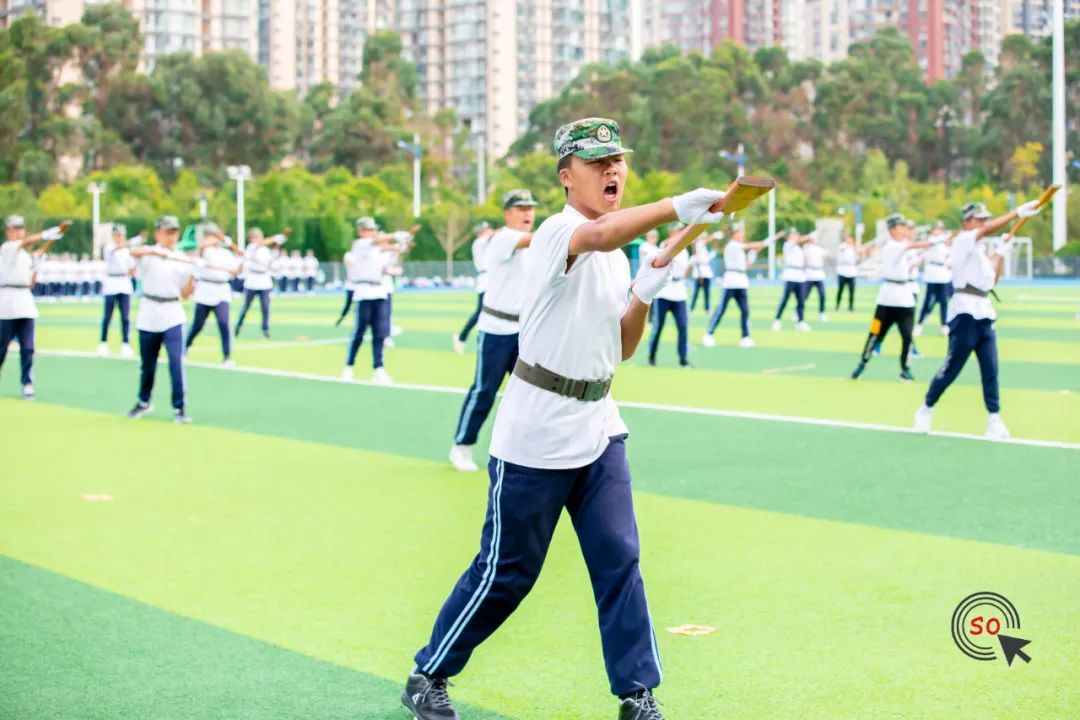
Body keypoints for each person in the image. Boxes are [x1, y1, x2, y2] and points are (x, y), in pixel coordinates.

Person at [403, 117, 733, 720]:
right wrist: (675, 206)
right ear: (566, 176)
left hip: (599, 422)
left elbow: (622, 347)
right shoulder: (559, 232)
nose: (612, 170)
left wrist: (645, 292)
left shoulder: (615, 254)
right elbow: (601, 234)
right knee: (508, 573)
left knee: (619, 559)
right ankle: (429, 672)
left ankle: (637, 694)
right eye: (596, 162)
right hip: (538, 428)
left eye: (617, 161)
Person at [915, 199, 1041, 439]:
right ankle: (926, 408)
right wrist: (1016, 212)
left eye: (985, 219)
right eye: (979, 219)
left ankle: (994, 417)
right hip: (965, 313)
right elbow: (987, 230)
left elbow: (992, 282)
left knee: (990, 368)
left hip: (984, 311)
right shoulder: (963, 240)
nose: (984, 223)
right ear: (967, 222)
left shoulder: (980, 252)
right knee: (952, 369)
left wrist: (1000, 254)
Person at [449, 189, 537, 472]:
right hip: (496, 329)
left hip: (524, 331)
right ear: (507, 213)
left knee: (530, 393)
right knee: (485, 390)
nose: (527, 213)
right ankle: (462, 445)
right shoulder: (504, 238)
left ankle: (524, 450)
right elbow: (536, 239)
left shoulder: (530, 245)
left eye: (530, 208)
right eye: (521, 208)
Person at [851, 214, 938, 383]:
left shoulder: (904, 246)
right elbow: (917, 244)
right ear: (892, 229)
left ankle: (905, 369)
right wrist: (938, 239)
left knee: (907, 337)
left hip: (905, 299)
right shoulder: (893, 246)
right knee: (875, 333)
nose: (905, 229)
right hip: (886, 300)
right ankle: (862, 363)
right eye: (901, 226)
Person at [126, 216, 196, 423]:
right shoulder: (149, 254)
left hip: (172, 313)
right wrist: (155, 252)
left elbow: (185, 294)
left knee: (176, 362)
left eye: (174, 232)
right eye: (168, 232)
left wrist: (193, 275)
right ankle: (144, 401)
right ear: (158, 233)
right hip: (149, 314)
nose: (172, 237)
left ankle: (179, 407)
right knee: (148, 365)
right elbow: (132, 251)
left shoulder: (181, 259)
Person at [0, 215, 67, 399]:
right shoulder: (7, 248)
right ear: (8, 232)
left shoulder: (25, 256)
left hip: (25, 301)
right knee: (1, 347)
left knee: (28, 347)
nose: (18, 232)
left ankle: (27, 383)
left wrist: (36, 267)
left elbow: (30, 283)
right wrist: (47, 234)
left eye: (20, 229)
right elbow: (26, 242)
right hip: (7, 302)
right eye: (14, 229)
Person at [341, 217, 394, 384]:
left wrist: (400, 244)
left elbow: (387, 251)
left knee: (379, 333)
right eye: (369, 230)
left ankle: (378, 368)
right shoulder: (360, 245)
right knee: (359, 332)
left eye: (373, 230)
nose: (372, 233)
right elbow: (377, 241)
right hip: (364, 292)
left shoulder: (378, 250)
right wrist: (397, 235)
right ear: (361, 231)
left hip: (379, 291)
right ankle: (349, 366)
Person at [703, 222, 773, 348]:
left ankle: (745, 337)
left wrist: (753, 254)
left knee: (745, 311)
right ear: (733, 234)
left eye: (741, 233)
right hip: (730, 282)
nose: (741, 235)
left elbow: (746, 265)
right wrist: (765, 242)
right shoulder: (732, 245)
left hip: (742, 281)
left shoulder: (739, 248)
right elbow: (752, 245)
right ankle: (709, 334)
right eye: (739, 233)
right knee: (721, 310)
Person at [185, 224, 242, 366]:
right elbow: (201, 251)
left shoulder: (225, 253)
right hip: (205, 289)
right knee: (197, 325)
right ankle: (184, 348)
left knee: (223, 323)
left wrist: (235, 250)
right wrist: (211, 240)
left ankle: (227, 356)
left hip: (222, 290)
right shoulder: (204, 250)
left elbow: (236, 270)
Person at [646, 231, 693, 367]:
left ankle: (683, 358)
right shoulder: (665, 247)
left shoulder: (684, 251)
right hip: (664, 292)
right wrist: (677, 239)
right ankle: (652, 354)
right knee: (658, 327)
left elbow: (685, 270)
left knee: (683, 326)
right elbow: (665, 245)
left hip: (679, 293)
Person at [235, 227, 286, 340]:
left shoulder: (266, 250)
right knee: (246, 307)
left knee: (265, 308)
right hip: (252, 280)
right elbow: (259, 243)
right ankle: (239, 325)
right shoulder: (251, 247)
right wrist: (275, 238)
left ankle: (265, 330)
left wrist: (277, 247)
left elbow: (270, 263)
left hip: (264, 280)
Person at [98, 223, 137, 358]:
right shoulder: (109, 247)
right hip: (111, 283)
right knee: (107, 316)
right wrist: (132, 242)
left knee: (125, 317)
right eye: (117, 235)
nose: (120, 237)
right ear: (113, 236)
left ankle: (125, 343)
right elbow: (116, 249)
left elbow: (132, 267)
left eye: (121, 235)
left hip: (124, 283)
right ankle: (103, 342)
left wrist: (132, 270)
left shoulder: (127, 251)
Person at [454, 222, 493, 354]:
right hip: (485, 279)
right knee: (481, 313)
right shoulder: (480, 242)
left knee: (485, 314)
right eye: (486, 230)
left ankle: (462, 337)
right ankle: (462, 337)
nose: (489, 231)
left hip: (490, 279)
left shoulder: (486, 243)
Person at [915, 220, 953, 337]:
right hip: (932, 274)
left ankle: (944, 325)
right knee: (928, 301)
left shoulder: (944, 243)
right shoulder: (931, 240)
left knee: (944, 301)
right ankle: (920, 324)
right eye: (936, 229)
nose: (938, 231)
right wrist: (945, 237)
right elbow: (930, 245)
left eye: (940, 229)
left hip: (944, 274)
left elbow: (949, 255)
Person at [772, 229, 811, 331]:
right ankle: (777, 320)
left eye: (797, 234)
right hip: (790, 276)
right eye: (794, 235)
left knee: (801, 301)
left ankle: (800, 321)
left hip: (800, 276)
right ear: (789, 237)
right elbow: (801, 240)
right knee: (785, 300)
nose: (796, 236)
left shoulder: (800, 249)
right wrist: (811, 235)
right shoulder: (788, 245)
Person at [834, 234, 865, 312]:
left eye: (850, 239)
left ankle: (850, 307)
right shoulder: (842, 246)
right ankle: (837, 305)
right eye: (848, 239)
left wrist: (856, 249)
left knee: (852, 291)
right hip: (842, 271)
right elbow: (842, 249)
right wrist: (852, 246)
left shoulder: (853, 248)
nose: (849, 240)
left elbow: (859, 256)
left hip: (851, 272)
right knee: (840, 290)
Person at [802, 231, 828, 322]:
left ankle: (822, 313)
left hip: (819, 274)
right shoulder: (806, 248)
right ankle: (798, 312)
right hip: (809, 274)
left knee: (822, 295)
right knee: (804, 295)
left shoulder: (819, 249)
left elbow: (826, 254)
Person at [688, 231, 716, 314]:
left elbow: (711, 255)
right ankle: (691, 308)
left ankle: (707, 309)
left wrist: (715, 240)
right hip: (698, 273)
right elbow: (706, 241)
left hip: (707, 272)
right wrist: (714, 235)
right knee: (696, 293)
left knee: (707, 293)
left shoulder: (705, 249)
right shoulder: (698, 244)